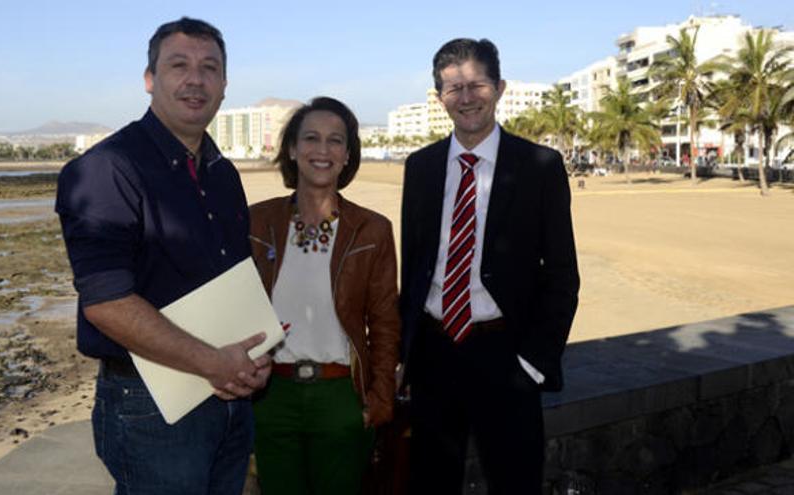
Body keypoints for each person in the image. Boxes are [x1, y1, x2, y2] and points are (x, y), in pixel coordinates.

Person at [55, 17, 270, 495]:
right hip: (151, 403)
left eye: (209, 68)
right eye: (179, 65)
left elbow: (233, 280)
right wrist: (213, 362)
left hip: (228, 394)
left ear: (224, 85)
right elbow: (106, 301)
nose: (195, 79)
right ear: (150, 79)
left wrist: (254, 357)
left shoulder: (222, 173)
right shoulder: (106, 170)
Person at [399, 38, 579, 494]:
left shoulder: (539, 165)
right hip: (435, 354)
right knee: (430, 482)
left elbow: (562, 274)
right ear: (439, 96)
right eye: (452, 88)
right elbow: (415, 267)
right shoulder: (420, 168)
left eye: (476, 84)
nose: (466, 97)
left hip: (506, 355)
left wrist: (533, 364)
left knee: (515, 481)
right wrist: (405, 354)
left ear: (499, 87)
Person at [248, 96, 401, 495]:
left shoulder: (373, 230)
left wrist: (380, 398)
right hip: (269, 396)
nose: (322, 149)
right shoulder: (256, 221)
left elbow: (385, 322)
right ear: (293, 149)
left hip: (340, 397)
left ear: (348, 155)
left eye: (336, 141)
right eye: (311, 138)